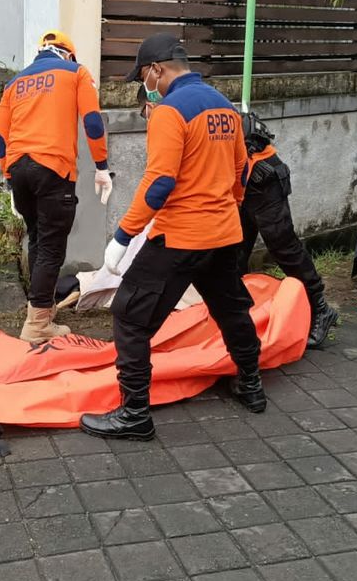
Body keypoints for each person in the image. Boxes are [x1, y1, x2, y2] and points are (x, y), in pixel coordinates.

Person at [79, 33, 265, 440]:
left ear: (157, 69)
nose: (144, 85)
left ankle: (134, 414)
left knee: (130, 315)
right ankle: (251, 386)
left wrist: (123, 235)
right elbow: (243, 172)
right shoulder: (225, 106)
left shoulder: (168, 112)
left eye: (143, 76)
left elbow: (160, 182)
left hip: (180, 237)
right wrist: (226, 207)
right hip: (224, 234)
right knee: (231, 310)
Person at [137, 86, 338, 349]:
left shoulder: (185, 111)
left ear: (152, 104)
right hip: (235, 187)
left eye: (143, 112)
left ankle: (320, 308)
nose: (147, 119)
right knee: (234, 253)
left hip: (261, 179)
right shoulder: (185, 109)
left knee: (283, 247)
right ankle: (243, 319)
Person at [0, 30, 113, 343]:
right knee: (50, 245)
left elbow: (0, 138)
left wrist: (9, 178)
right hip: (52, 168)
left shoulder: (14, 83)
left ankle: (41, 309)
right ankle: (36, 326)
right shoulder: (75, 73)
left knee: (37, 239)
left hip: (19, 168)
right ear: (68, 54)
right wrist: (101, 166)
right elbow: (91, 121)